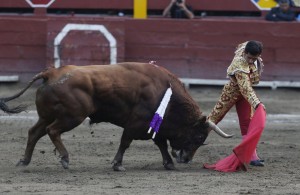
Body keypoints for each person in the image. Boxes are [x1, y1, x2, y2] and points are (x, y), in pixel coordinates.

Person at [208, 41, 266, 167]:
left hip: (244, 96)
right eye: (249, 57)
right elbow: (245, 88)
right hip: (231, 92)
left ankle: (252, 155)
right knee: (213, 119)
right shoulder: (240, 63)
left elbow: (245, 44)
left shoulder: (249, 49)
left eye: (254, 59)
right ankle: (190, 148)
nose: (250, 61)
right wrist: (257, 103)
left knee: (247, 123)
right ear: (245, 53)